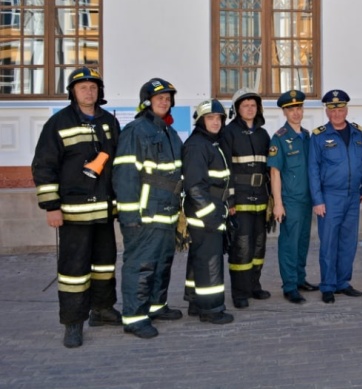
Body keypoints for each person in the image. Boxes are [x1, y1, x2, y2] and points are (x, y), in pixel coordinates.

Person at [32, 67, 121, 348]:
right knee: (74, 271)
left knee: (105, 265)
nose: (88, 91)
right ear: (72, 91)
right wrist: (51, 206)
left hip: (104, 212)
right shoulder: (58, 123)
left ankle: (103, 310)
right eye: (82, 87)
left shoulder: (109, 121)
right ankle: (73, 323)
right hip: (73, 214)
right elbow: (44, 166)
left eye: (93, 87)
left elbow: (117, 164)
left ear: (99, 91)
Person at [113, 78, 184, 339]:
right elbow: (125, 174)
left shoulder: (168, 132)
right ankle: (134, 317)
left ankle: (155, 306)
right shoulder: (135, 130)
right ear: (147, 101)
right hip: (144, 213)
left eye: (167, 98)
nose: (164, 101)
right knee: (141, 265)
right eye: (159, 98)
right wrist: (130, 215)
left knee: (162, 262)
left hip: (167, 211)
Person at [308, 90, 362, 303]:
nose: (338, 113)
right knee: (329, 243)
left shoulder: (358, 133)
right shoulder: (319, 136)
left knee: (349, 242)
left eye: (341, 109)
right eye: (333, 109)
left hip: (353, 196)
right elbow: (312, 169)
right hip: (330, 197)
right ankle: (328, 285)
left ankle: (343, 282)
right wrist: (318, 200)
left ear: (346, 110)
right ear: (327, 111)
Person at [182, 99, 234, 325]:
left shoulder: (210, 142)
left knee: (199, 260)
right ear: (201, 121)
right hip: (205, 215)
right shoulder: (197, 146)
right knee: (210, 262)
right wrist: (211, 215)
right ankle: (212, 309)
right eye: (210, 118)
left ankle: (195, 302)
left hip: (209, 211)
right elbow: (194, 186)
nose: (215, 122)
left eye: (218, 118)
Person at [220, 88, 271, 309]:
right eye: (245, 105)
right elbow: (225, 169)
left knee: (259, 246)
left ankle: (254, 286)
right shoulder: (228, 133)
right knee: (241, 246)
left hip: (261, 198)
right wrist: (229, 201)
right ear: (236, 109)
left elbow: (269, 169)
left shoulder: (263, 134)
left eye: (253, 105)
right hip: (239, 200)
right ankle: (239, 293)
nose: (250, 109)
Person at [268, 89, 319, 304]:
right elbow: (275, 172)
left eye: (298, 108)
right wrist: (278, 204)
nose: (296, 113)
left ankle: (299, 278)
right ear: (284, 112)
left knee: (303, 241)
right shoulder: (279, 138)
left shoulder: (307, 136)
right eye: (291, 109)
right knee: (289, 243)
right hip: (290, 200)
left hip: (306, 199)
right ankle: (289, 286)